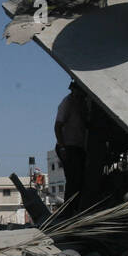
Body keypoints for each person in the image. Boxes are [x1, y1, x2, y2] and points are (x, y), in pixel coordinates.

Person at [55, 82, 88, 211]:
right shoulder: (67, 103)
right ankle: (69, 210)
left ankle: (76, 208)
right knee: (73, 180)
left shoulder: (82, 104)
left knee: (79, 179)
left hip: (78, 146)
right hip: (68, 146)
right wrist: (63, 147)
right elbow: (57, 126)